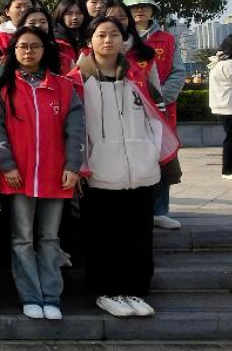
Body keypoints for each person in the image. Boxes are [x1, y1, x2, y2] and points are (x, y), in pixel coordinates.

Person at [74, 16, 179, 318]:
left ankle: (136, 289)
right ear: (90, 41)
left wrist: (150, 152)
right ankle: (107, 291)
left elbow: (156, 116)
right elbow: (73, 128)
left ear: (124, 40)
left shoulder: (137, 77)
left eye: (114, 34)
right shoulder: (76, 80)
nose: (108, 40)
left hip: (140, 170)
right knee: (104, 236)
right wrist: (79, 165)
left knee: (138, 235)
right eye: (101, 35)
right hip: (99, 172)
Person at [0, 26, 84, 320]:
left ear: (44, 50)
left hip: (55, 175)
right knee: (22, 239)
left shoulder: (63, 86)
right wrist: (7, 165)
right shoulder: (3, 88)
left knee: (50, 238)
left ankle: (51, 297)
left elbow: (76, 129)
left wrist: (73, 166)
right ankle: (30, 296)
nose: (28, 51)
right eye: (22, 46)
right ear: (13, 51)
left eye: (35, 46)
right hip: (18, 174)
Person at [122, 0, 186, 231]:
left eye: (145, 6)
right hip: (128, 109)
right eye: (134, 7)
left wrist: (160, 98)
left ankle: (160, 211)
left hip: (161, 110)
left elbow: (178, 72)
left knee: (162, 157)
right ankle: (134, 210)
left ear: (153, 10)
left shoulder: (167, 39)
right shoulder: (119, 37)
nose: (140, 10)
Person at [208, 35, 232, 179]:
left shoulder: (217, 64)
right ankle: (228, 170)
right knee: (230, 139)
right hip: (229, 107)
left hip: (222, 107)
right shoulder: (229, 65)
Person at [53, 0, 85, 64]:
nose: (75, 17)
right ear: (61, 15)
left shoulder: (91, 38)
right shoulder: (55, 42)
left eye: (79, 13)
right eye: (69, 14)